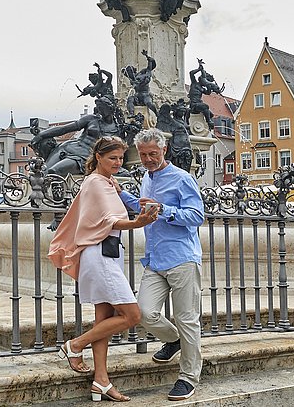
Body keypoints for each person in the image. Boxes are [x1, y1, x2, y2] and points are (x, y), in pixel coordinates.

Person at [47, 136, 159, 402]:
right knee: (132, 315)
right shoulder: (96, 183)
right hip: (100, 256)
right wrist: (137, 223)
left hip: (107, 255)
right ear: (98, 157)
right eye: (112, 158)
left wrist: (126, 197)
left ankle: (101, 381)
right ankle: (74, 345)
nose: (118, 163)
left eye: (121, 158)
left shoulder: (106, 183)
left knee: (104, 321)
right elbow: (110, 221)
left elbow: (109, 212)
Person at [115, 128, 204, 401]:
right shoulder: (146, 177)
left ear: (164, 150)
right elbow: (145, 206)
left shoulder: (182, 179)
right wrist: (121, 194)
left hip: (182, 259)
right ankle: (173, 339)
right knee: (143, 312)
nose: (148, 159)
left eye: (153, 154)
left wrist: (164, 210)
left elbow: (197, 216)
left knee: (188, 319)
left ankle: (188, 378)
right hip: (155, 260)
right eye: (143, 155)